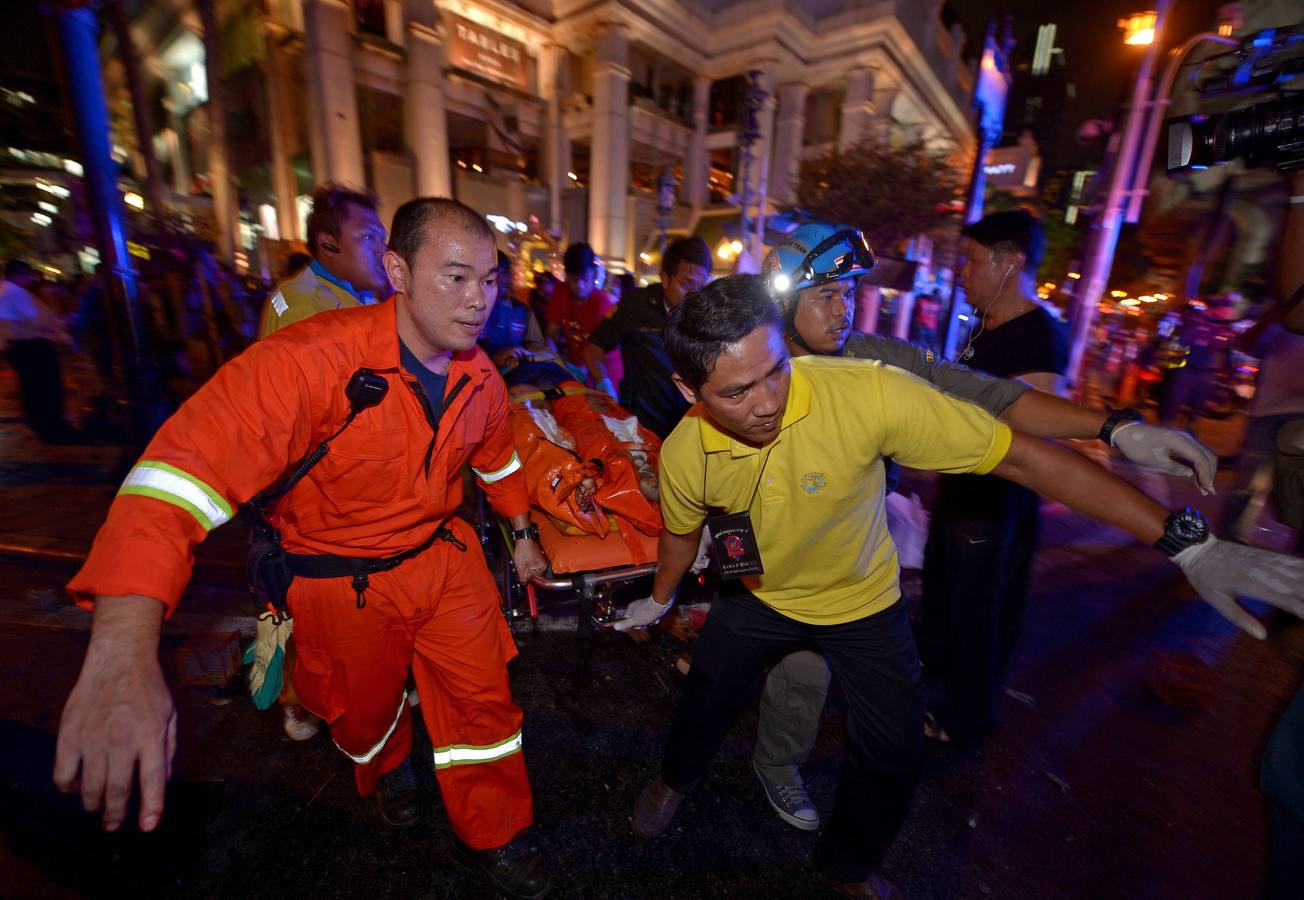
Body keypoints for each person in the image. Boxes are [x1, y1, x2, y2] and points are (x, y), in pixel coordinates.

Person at [615, 274, 1304, 896]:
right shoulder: (685, 450)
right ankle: (675, 779)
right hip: (758, 599)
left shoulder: (868, 394)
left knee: (894, 756)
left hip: (862, 604)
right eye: (737, 391)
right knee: (703, 701)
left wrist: (1187, 543)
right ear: (689, 392)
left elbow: (1025, 461)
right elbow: (682, 534)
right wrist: (662, 593)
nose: (767, 402)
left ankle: (845, 866)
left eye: (776, 372)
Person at [53, 199, 553, 899]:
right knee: (365, 713)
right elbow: (175, 477)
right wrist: (120, 650)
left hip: (447, 566)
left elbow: (495, 462)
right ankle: (389, 773)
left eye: (492, 280)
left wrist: (522, 535)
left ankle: (498, 832)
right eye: (458, 277)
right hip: (340, 589)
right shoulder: (309, 361)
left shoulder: (482, 378)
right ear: (397, 271)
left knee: (487, 714)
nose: (480, 302)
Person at [687, 220, 1219, 833]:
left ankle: (807, 794)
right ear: (785, 302)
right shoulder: (751, 359)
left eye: (850, 291)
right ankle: (707, 771)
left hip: (845, 563)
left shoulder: (875, 359)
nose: (844, 309)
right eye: (826, 294)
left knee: (829, 684)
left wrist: (1116, 428)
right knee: (735, 677)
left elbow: (987, 395)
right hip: (763, 554)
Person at [921, 209, 1069, 747]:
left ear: (1012, 263)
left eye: (974, 260)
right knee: (945, 597)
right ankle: (935, 686)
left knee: (978, 614)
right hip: (961, 492)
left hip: (997, 502)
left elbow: (1033, 427)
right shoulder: (984, 327)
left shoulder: (1039, 336)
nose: (963, 271)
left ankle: (967, 720)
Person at [585, 236, 713, 438]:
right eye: (686, 284)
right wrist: (603, 382)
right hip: (639, 425)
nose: (694, 295)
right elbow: (594, 348)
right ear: (665, 278)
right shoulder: (636, 306)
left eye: (700, 286)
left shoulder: (707, 314)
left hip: (689, 427)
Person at [257, 184, 390, 338]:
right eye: (368, 237)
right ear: (328, 245)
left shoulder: (362, 298)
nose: (384, 250)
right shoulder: (303, 309)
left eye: (382, 239)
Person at [0, 259, 78, 443]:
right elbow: (38, 320)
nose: (30, 279)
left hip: (16, 347)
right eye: (28, 275)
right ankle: (52, 429)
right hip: (33, 347)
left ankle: (40, 424)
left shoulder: (4, 290)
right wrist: (62, 324)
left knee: (31, 388)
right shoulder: (15, 292)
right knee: (45, 389)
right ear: (19, 274)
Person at [544, 242, 617, 381]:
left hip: (606, 372)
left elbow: (601, 351)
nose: (579, 286)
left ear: (594, 274)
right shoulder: (560, 292)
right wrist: (552, 357)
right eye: (573, 279)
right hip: (577, 370)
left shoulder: (602, 303)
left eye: (584, 279)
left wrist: (584, 371)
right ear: (566, 275)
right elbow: (551, 333)